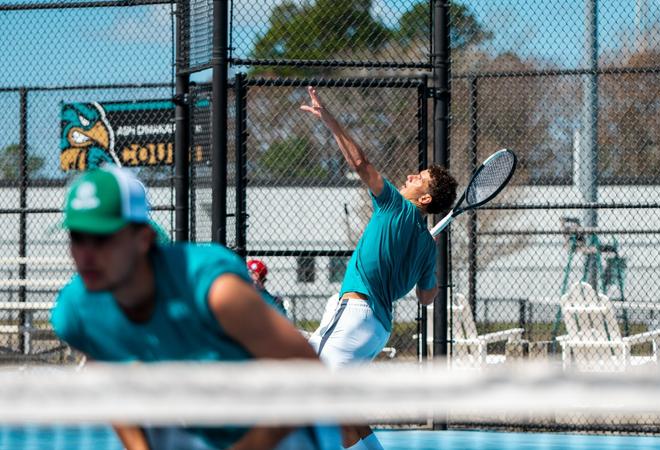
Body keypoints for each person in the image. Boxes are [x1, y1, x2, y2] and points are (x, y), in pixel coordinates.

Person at [50, 166, 339, 450]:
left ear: (144, 239)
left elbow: (308, 375)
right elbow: (112, 384)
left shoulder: (216, 290)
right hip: (202, 432)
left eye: (102, 239)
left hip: (286, 427)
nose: (86, 254)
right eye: (77, 237)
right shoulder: (76, 314)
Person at [300, 87, 458, 450]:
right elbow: (426, 298)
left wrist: (329, 119)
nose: (410, 176)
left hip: (356, 313)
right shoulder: (426, 247)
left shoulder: (394, 207)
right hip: (376, 328)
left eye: (418, 178)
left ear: (425, 199)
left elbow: (360, 163)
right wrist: (427, 256)